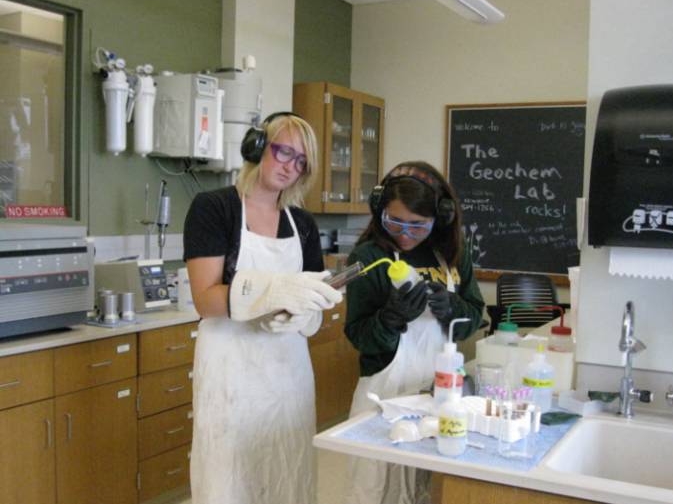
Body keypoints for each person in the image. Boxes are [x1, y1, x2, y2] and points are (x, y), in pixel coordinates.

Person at [183, 112, 343, 504]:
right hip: (231, 370)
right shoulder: (214, 208)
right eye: (284, 151)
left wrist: (306, 313)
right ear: (257, 148)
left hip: (287, 371)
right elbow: (205, 299)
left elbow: (314, 297)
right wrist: (272, 291)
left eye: (301, 161)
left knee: (286, 469)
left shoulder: (301, 223)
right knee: (228, 474)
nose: (290, 166)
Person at [344, 161, 484, 504]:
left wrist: (452, 308)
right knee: (378, 489)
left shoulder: (450, 253)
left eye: (418, 225)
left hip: (440, 393)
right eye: (395, 221)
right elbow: (359, 335)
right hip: (384, 390)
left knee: (429, 489)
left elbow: (474, 315)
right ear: (380, 213)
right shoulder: (369, 257)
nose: (405, 233)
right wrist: (390, 319)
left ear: (441, 217)